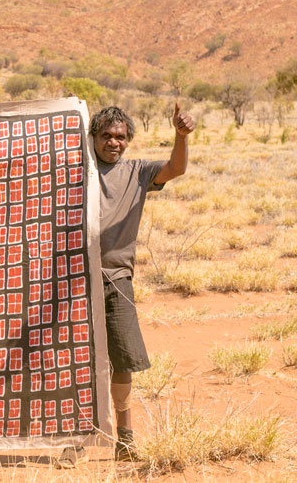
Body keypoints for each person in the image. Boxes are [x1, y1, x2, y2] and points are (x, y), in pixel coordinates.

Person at [93, 104, 195, 460]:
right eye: (106, 135)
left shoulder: (138, 172)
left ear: (129, 141)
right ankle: (72, 434)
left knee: (122, 360)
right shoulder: (78, 171)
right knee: (71, 355)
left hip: (116, 278)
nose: (113, 143)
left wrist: (181, 137)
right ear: (93, 138)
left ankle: (125, 439)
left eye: (120, 137)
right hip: (73, 279)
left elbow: (176, 168)